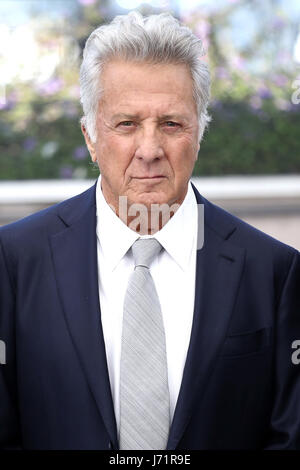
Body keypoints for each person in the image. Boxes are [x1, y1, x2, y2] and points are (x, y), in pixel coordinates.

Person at [0, 11, 299, 450]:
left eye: (172, 124)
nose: (150, 150)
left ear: (199, 134)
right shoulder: (13, 261)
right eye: (126, 124)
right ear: (89, 137)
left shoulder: (275, 271)